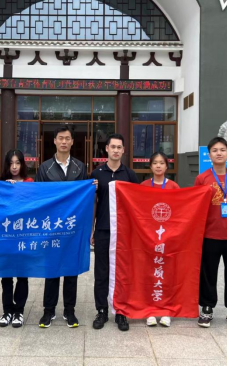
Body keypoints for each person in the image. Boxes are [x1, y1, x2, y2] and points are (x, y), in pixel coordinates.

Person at [35, 125, 89, 328]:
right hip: (51, 226)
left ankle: (69, 310)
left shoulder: (80, 167)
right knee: (51, 269)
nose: (64, 141)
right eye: (60, 138)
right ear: (55, 141)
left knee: (71, 268)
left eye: (67, 138)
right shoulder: (45, 167)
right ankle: (48, 311)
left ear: (72, 141)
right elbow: (37, 196)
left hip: (73, 227)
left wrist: (91, 187)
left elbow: (84, 197)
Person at [194, 137, 227, 330]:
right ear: (209, 155)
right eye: (215, 150)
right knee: (208, 273)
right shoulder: (202, 179)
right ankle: (207, 308)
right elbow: (196, 204)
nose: (219, 153)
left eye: (222, 150)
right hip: (209, 234)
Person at [91, 134, 138, 332]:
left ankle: (121, 311)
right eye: (113, 147)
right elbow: (92, 204)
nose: (116, 150)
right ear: (107, 149)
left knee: (122, 272)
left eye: (119, 147)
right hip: (103, 229)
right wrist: (92, 229)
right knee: (101, 272)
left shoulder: (130, 175)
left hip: (124, 232)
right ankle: (101, 310)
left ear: (123, 150)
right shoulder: (96, 174)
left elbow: (137, 204)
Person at [140, 151, 179, 327]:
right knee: (149, 273)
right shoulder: (143, 186)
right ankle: (149, 310)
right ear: (150, 166)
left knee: (167, 274)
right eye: (155, 162)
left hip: (167, 238)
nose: (158, 166)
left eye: (161, 163)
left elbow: (180, 212)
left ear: (166, 166)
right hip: (148, 237)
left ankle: (166, 310)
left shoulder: (173, 187)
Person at [0, 150, 34, 328]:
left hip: (23, 236)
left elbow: (32, 204)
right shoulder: (0, 184)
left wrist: (18, 190)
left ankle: (19, 311)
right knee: (6, 276)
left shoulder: (29, 182)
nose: (14, 167)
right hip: (5, 236)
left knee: (22, 275)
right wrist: (6, 188)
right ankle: (7, 311)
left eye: (17, 163)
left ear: (22, 165)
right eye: (11, 163)